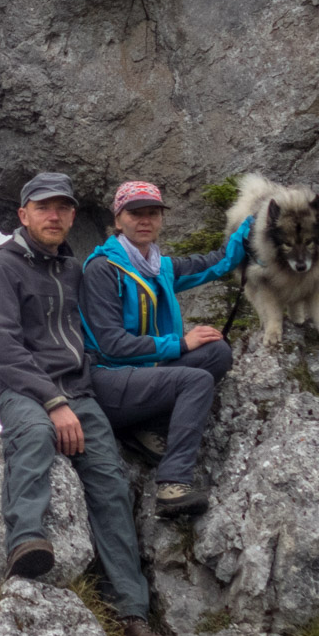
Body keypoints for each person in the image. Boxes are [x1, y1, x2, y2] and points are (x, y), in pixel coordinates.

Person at [0, 171, 178, 636]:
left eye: (63, 208)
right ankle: (26, 542)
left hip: (78, 388)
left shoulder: (73, 269)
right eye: (44, 207)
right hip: (20, 386)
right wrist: (54, 401)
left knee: (109, 481)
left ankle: (131, 614)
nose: (55, 215)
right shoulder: (1, 270)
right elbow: (3, 349)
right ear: (23, 215)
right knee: (35, 433)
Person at [81, 179, 255, 519]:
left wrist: (253, 221)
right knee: (195, 381)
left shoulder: (160, 267)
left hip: (144, 378)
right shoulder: (102, 269)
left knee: (218, 353)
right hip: (107, 382)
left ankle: (144, 428)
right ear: (118, 221)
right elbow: (111, 345)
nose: (145, 220)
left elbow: (217, 262)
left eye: (152, 213)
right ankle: (173, 484)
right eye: (135, 213)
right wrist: (179, 344)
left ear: (161, 220)